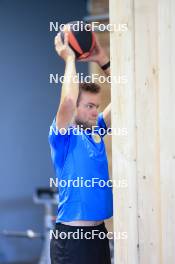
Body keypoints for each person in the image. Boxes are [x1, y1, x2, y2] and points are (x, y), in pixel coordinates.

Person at [49, 31, 113, 264]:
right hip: (72, 239)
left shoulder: (95, 131)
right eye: (89, 106)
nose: (95, 111)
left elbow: (127, 96)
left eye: (96, 106)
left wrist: (103, 60)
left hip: (98, 234)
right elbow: (67, 100)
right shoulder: (63, 136)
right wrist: (69, 59)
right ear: (75, 109)